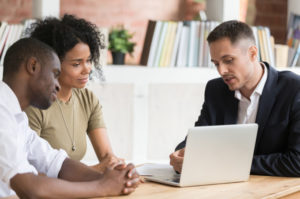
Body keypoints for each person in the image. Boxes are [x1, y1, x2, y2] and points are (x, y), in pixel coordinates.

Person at [0, 37, 140, 198]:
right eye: (54, 74)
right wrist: (103, 186)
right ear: (33, 66)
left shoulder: (16, 118)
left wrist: (117, 179)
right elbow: (31, 189)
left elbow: (58, 163)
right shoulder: (1, 110)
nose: (57, 85)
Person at [170, 20, 300, 177]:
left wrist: (223, 163)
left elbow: (297, 162)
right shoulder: (216, 90)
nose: (222, 71)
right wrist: (181, 156)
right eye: (216, 63)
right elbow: (197, 139)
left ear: (252, 53)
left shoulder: (294, 89)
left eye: (228, 60)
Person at [24, 14, 122, 172]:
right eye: (77, 64)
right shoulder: (34, 106)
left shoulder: (88, 100)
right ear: (51, 63)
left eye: (89, 60)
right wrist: (96, 170)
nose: (87, 69)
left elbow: (107, 156)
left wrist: (117, 166)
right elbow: (30, 176)